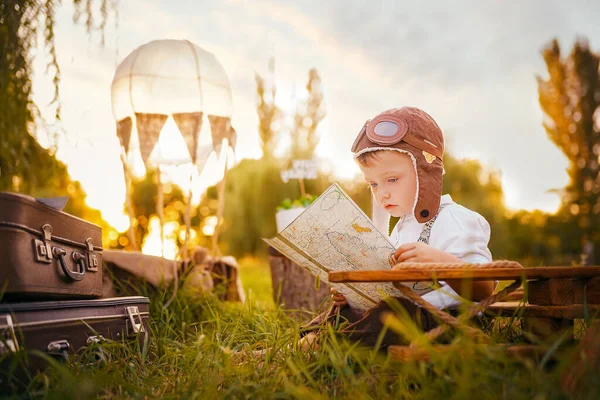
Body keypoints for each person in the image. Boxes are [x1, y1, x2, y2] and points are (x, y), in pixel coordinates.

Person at [302, 106, 496, 348]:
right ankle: (306, 342)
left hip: (449, 323)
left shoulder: (457, 220)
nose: (382, 193)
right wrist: (354, 295)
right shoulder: (402, 226)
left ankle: (321, 346)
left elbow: (485, 288)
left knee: (391, 314)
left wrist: (440, 262)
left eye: (391, 179)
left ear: (425, 172)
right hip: (406, 314)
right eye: (373, 184)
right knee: (344, 310)